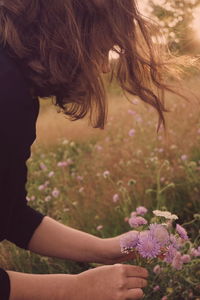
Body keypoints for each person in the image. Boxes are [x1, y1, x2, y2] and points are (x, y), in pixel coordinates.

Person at [0, 0, 177, 299]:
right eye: (103, 45)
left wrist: (106, 249)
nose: (104, 65)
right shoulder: (6, 92)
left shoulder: (15, 89)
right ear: (73, 27)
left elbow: (11, 214)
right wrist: (76, 288)